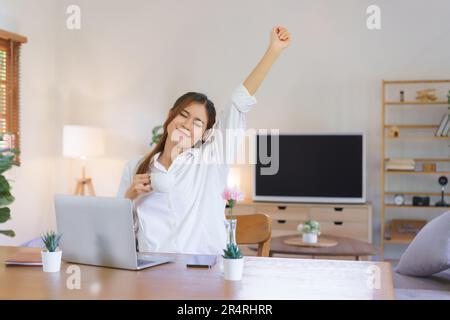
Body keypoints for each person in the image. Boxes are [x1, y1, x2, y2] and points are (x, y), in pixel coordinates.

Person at [117, 26, 292, 254]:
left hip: (203, 274)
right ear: (171, 115)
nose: (187, 125)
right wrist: (129, 196)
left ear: (205, 134)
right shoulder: (135, 167)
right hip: (152, 273)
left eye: (198, 123)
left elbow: (239, 102)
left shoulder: (212, 159)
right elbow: (119, 233)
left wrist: (273, 51)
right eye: (183, 115)